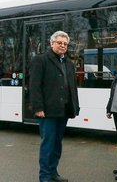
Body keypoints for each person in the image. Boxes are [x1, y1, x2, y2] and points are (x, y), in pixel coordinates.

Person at [30, 31, 80, 182]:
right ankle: (44, 177)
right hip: (48, 111)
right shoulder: (41, 60)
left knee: (57, 145)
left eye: (65, 44)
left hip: (63, 110)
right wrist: (38, 108)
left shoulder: (69, 63)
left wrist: (75, 107)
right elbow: (34, 86)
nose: (63, 46)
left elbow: (72, 87)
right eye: (59, 43)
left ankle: (53, 173)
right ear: (52, 43)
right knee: (48, 145)